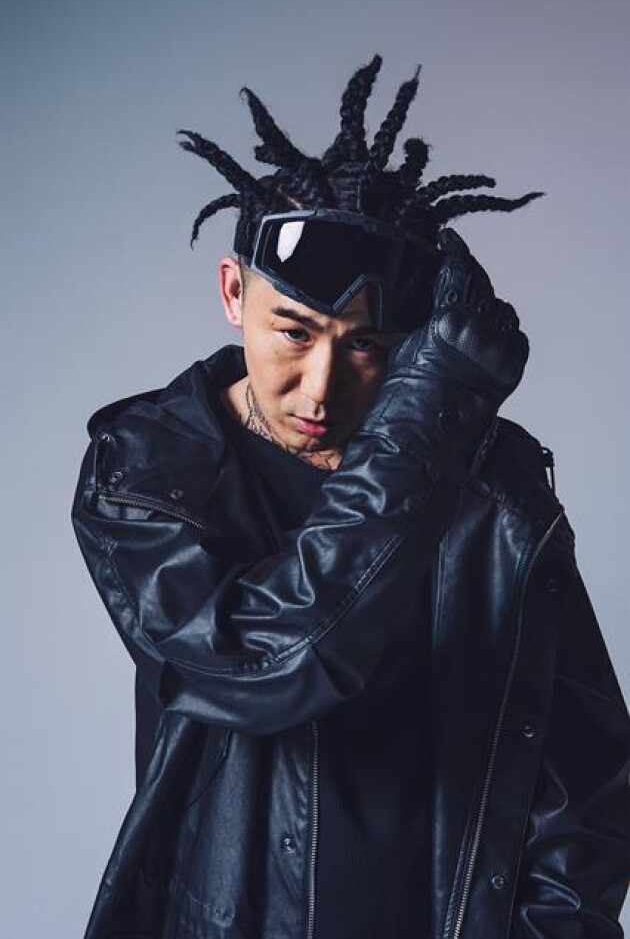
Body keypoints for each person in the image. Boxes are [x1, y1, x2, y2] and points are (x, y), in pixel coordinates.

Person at [71, 55, 630, 939]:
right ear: (233, 293)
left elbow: (586, 778)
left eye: (367, 347)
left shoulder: (491, 488)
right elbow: (272, 666)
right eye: (293, 332)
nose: (320, 386)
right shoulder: (145, 473)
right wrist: (430, 412)